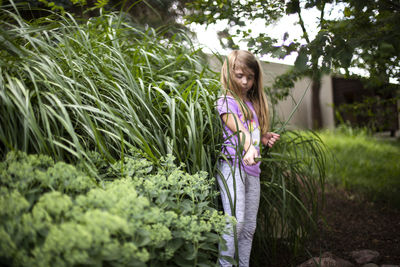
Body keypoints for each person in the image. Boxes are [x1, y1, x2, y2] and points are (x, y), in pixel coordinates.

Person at [216, 50, 280, 267]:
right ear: (229, 74)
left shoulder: (253, 103)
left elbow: (249, 130)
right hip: (232, 168)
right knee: (235, 223)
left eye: (250, 77)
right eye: (239, 75)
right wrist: (249, 147)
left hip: (253, 171)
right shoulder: (225, 101)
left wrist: (262, 138)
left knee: (249, 227)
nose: (245, 82)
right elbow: (239, 129)